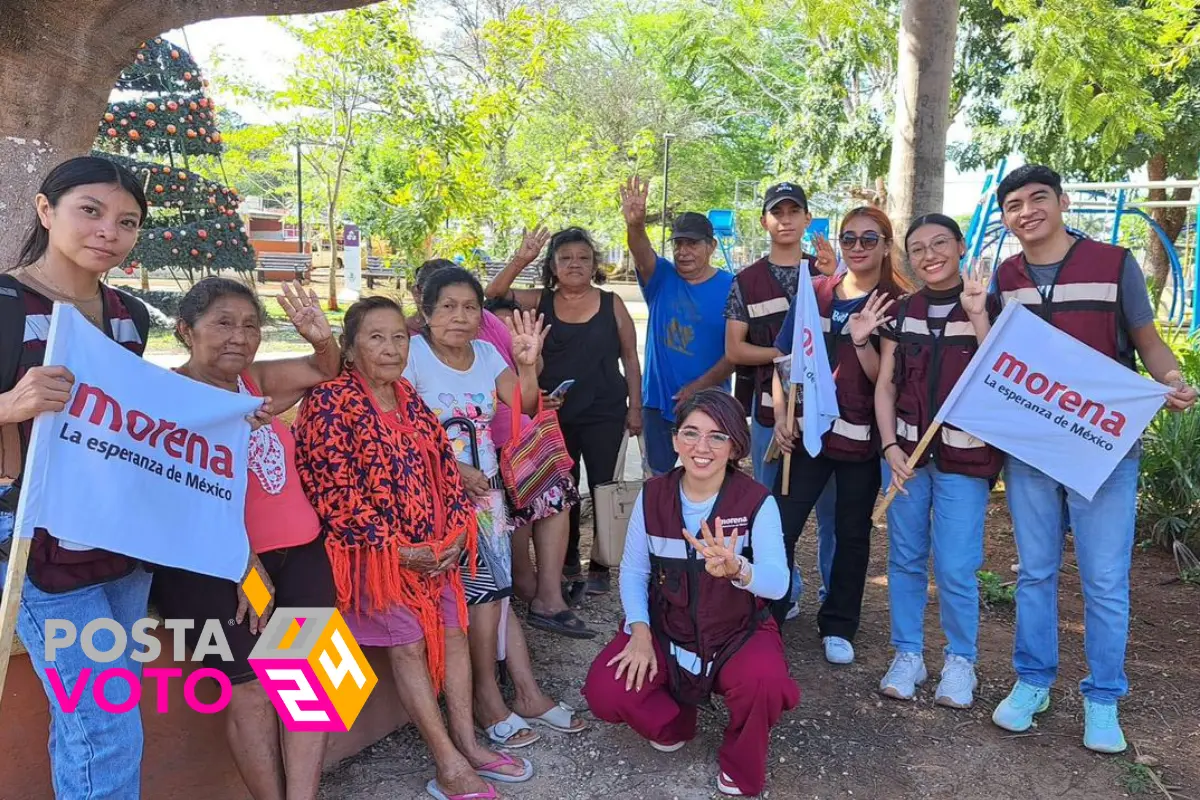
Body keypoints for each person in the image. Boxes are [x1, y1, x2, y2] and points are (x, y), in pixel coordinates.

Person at [985, 165, 1197, 753]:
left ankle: (1103, 696)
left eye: (1038, 199)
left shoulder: (1114, 264)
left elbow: (1147, 338)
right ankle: (1033, 680)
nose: (1026, 211)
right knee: (1034, 572)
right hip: (1030, 448)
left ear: (1063, 202)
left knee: (1104, 580)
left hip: (1104, 446)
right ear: (1006, 216)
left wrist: (1171, 379)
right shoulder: (1006, 276)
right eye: (1014, 204)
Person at [293, 296, 531, 799]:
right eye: (375, 337)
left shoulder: (408, 398)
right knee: (409, 644)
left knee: (455, 632)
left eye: (398, 337)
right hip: (374, 559)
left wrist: (458, 533)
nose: (390, 347)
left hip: (436, 553)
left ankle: (467, 742)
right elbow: (332, 490)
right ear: (350, 348)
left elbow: (447, 472)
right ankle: (447, 763)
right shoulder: (330, 401)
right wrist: (396, 551)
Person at [150, 277, 340, 800]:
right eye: (223, 323)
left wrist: (321, 338)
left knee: (309, 681)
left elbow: (327, 369)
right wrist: (241, 560)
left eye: (251, 325)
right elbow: (173, 500)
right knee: (251, 689)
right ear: (187, 331)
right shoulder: (166, 399)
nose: (240, 336)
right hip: (216, 568)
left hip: (299, 555)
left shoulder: (254, 382)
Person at [0, 156, 153, 798]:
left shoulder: (130, 315)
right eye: (89, 211)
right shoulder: (7, 305)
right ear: (45, 210)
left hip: (121, 537)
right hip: (38, 540)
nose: (107, 232)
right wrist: (10, 405)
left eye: (126, 221)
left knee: (98, 714)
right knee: (104, 718)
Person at [583, 389, 798, 798]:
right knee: (606, 689)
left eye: (718, 436)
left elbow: (777, 582)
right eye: (691, 433)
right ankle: (676, 719)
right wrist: (640, 633)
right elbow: (633, 570)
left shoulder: (755, 501)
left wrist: (739, 569)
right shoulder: (654, 493)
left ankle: (739, 761)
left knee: (765, 681)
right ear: (676, 439)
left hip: (735, 633)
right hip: (669, 628)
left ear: (735, 444)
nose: (702, 447)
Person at [405, 267, 587, 749]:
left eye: (470, 307)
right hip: (437, 503)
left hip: (487, 498)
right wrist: (449, 469)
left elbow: (525, 406)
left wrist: (527, 365)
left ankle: (520, 692)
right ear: (425, 309)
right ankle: (490, 699)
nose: (460, 317)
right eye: (447, 307)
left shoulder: (487, 353)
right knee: (479, 600)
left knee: (498, 595)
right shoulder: (413, 356)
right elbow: (396, 427)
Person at [771, 206, 910, 665]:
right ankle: (766, 612)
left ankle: (838, 623)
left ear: (887, 245)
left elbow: (884, 381)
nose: (857, 248)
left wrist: (861, 340)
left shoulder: (897, 302)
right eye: (849, 239)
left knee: (851, 532)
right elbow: (784, 358)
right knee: (779, 525)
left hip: (860, 440)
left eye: (869, 239)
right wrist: (782, 415)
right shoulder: (816, 292)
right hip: (807, 434)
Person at [874, 215, 999, 709]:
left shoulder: (990, 306)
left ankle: (960, 660)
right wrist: (888, 447)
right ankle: (908, 653)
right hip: (906, 456)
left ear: (961, 246)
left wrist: (978, 315)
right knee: (904, 558)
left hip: (965, 460)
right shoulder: (902, 312)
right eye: (919, 248)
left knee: (955, 564)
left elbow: (1001, 374)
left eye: (940, 244)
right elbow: (885, 384)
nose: (930, 255)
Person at [485, 227, 642, 598]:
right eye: (566, 258)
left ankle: (602, 563)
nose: (575, 264)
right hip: (553, 416)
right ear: (552, 266)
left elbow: (632, 358)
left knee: (604, 486)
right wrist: (521, 257)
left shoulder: (612, 303)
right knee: (562, 491)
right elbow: (491, 295)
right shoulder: (539, 300)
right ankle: (568, 562)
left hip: (605, 411)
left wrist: (635, 406)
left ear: (594, 265)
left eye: (584, 258)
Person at [722, 182, 837, 613]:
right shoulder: (747, 282)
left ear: (808, 218)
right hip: (770, 413)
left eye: (794, 211)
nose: (785, 220)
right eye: (777, 212)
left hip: (830, 414)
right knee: (768, 509)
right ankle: (778, 592)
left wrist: (834, 272)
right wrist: (787, 356)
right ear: (764, 221)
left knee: (832, 514)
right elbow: (735, 349)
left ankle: (832, 599)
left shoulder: (828, 271)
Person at [619, 177, 735, 475]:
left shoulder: (732, 287)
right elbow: (641, 251)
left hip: (710, 406)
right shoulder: (661, 278)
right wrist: (635, 225)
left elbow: (736, 354)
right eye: (679, 244)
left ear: (711, 246)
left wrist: (699, 387)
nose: (683, 251)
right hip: (658, 406)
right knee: (658, 482)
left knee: (707, 479)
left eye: (692, 244)